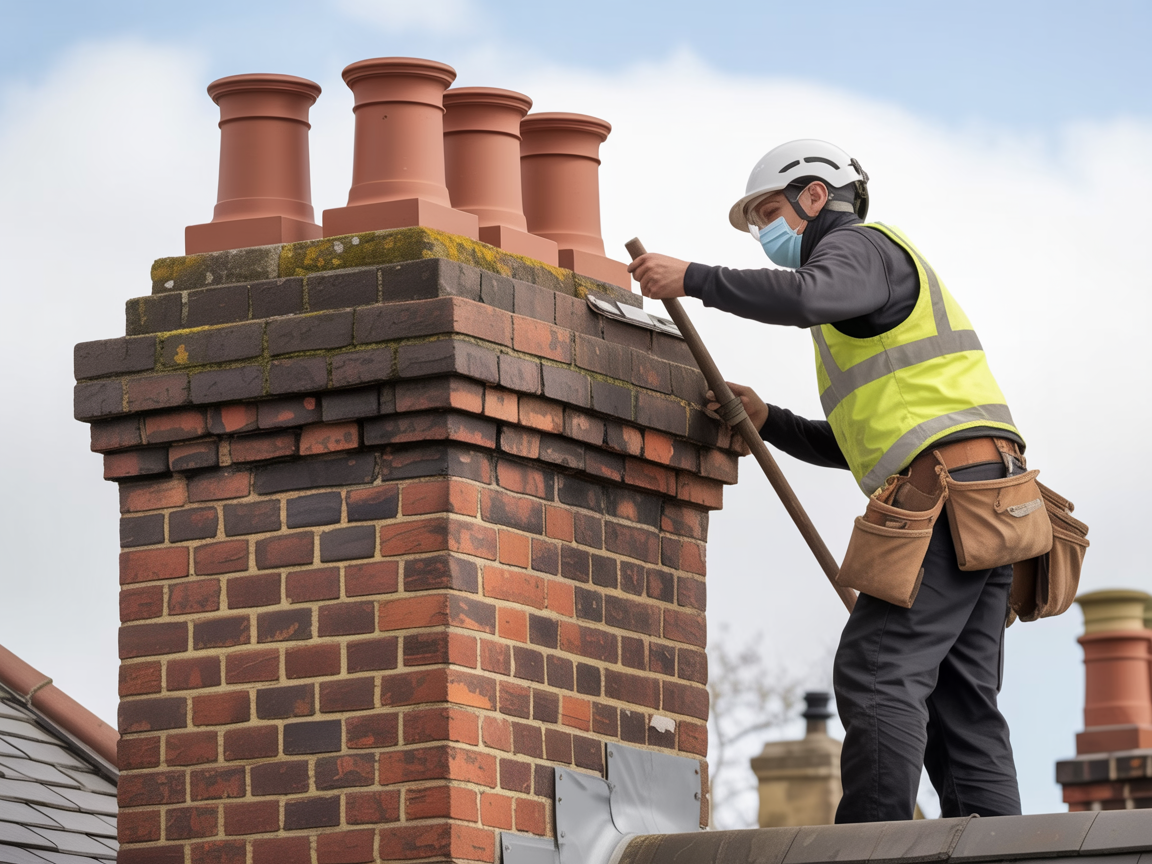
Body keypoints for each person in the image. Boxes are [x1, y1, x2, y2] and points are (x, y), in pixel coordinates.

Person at [627, 139, 1024, 822]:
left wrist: (692, 278)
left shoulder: (859, 250)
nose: (764, 235)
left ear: (817, 196)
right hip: (990, 496)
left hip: (950, 493)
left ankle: (872, 844)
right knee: (960, 701)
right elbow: (861, 443)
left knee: (876, 668)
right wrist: (769, 419)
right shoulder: (870, 297)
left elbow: (813, 295)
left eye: (770, 213)